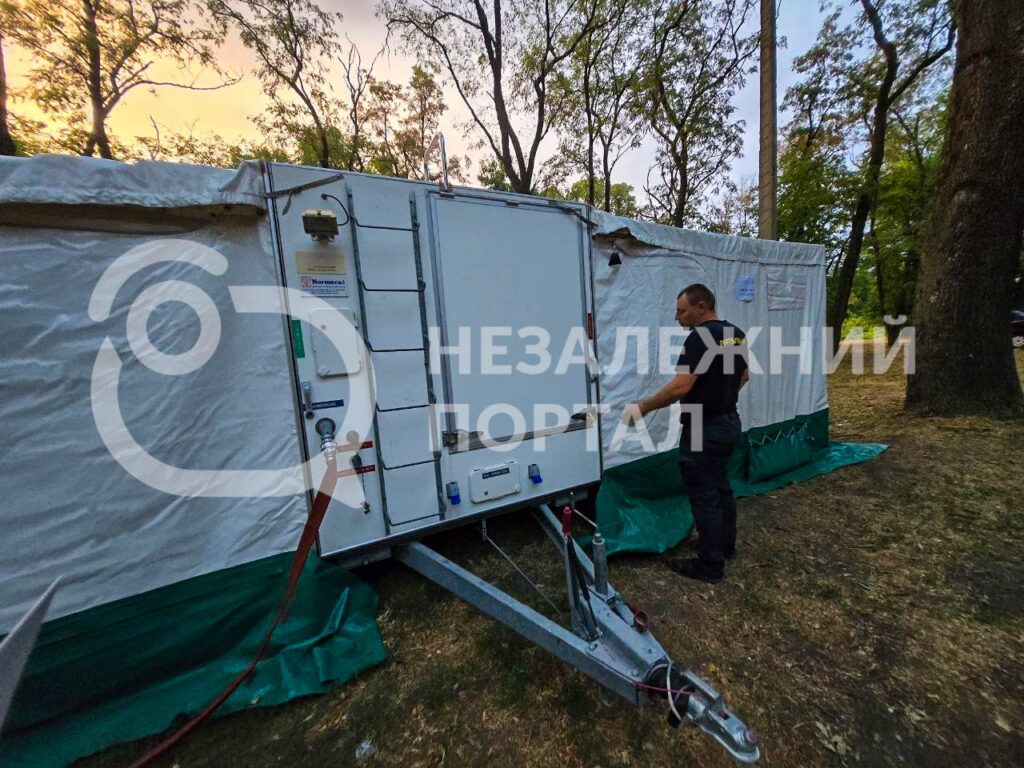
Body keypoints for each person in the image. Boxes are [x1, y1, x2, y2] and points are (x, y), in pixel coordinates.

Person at [622, 284, 748, 583]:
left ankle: (709, 564)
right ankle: (723, 545)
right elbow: (744, 376)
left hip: (703, 427)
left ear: (701, 307)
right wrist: (722, 398)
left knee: (704, 494)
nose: (677, 317)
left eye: (682, 310)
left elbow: (681, 387)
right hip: (729, 422)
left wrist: (643, 407)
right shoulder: (736, 333)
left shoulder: (698, 338)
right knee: (721, 487)